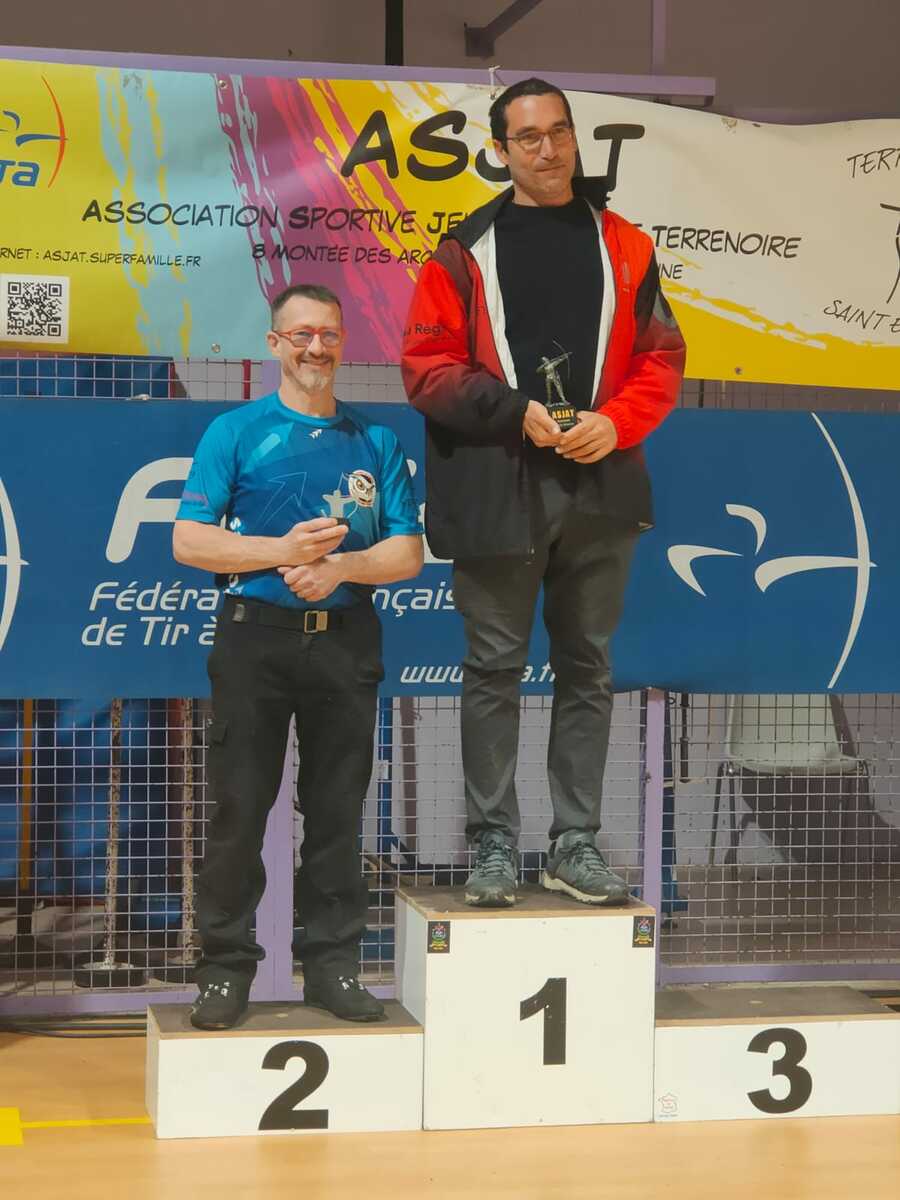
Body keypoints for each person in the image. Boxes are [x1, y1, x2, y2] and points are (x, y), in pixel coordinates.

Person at [401, 78, 685, 909]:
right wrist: (512, 410)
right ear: (499, 150)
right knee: (493, 668)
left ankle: (574, 844)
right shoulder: (462, 253)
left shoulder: (626, 245)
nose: (549, 149)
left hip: (601, 484)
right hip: (498, 486)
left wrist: (617, 423)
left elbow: (661, 358)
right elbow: (425, 369)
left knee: (587, 666)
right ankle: (492, 843)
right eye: (528, 137)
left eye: (559, 132)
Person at [174, 283, 423, 1028]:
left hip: (345, 644)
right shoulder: (236, 431)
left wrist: (340, 568)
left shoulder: (377, 442)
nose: (318, 347)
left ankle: (333, 966)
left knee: (339, 812)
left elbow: (407, 552)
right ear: (275, 344)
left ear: (344, 343)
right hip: (254, 641)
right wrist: (281, 551)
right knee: (239, 809)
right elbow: (189, 540)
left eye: (330, 335)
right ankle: (224, 970)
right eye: (303, 334)